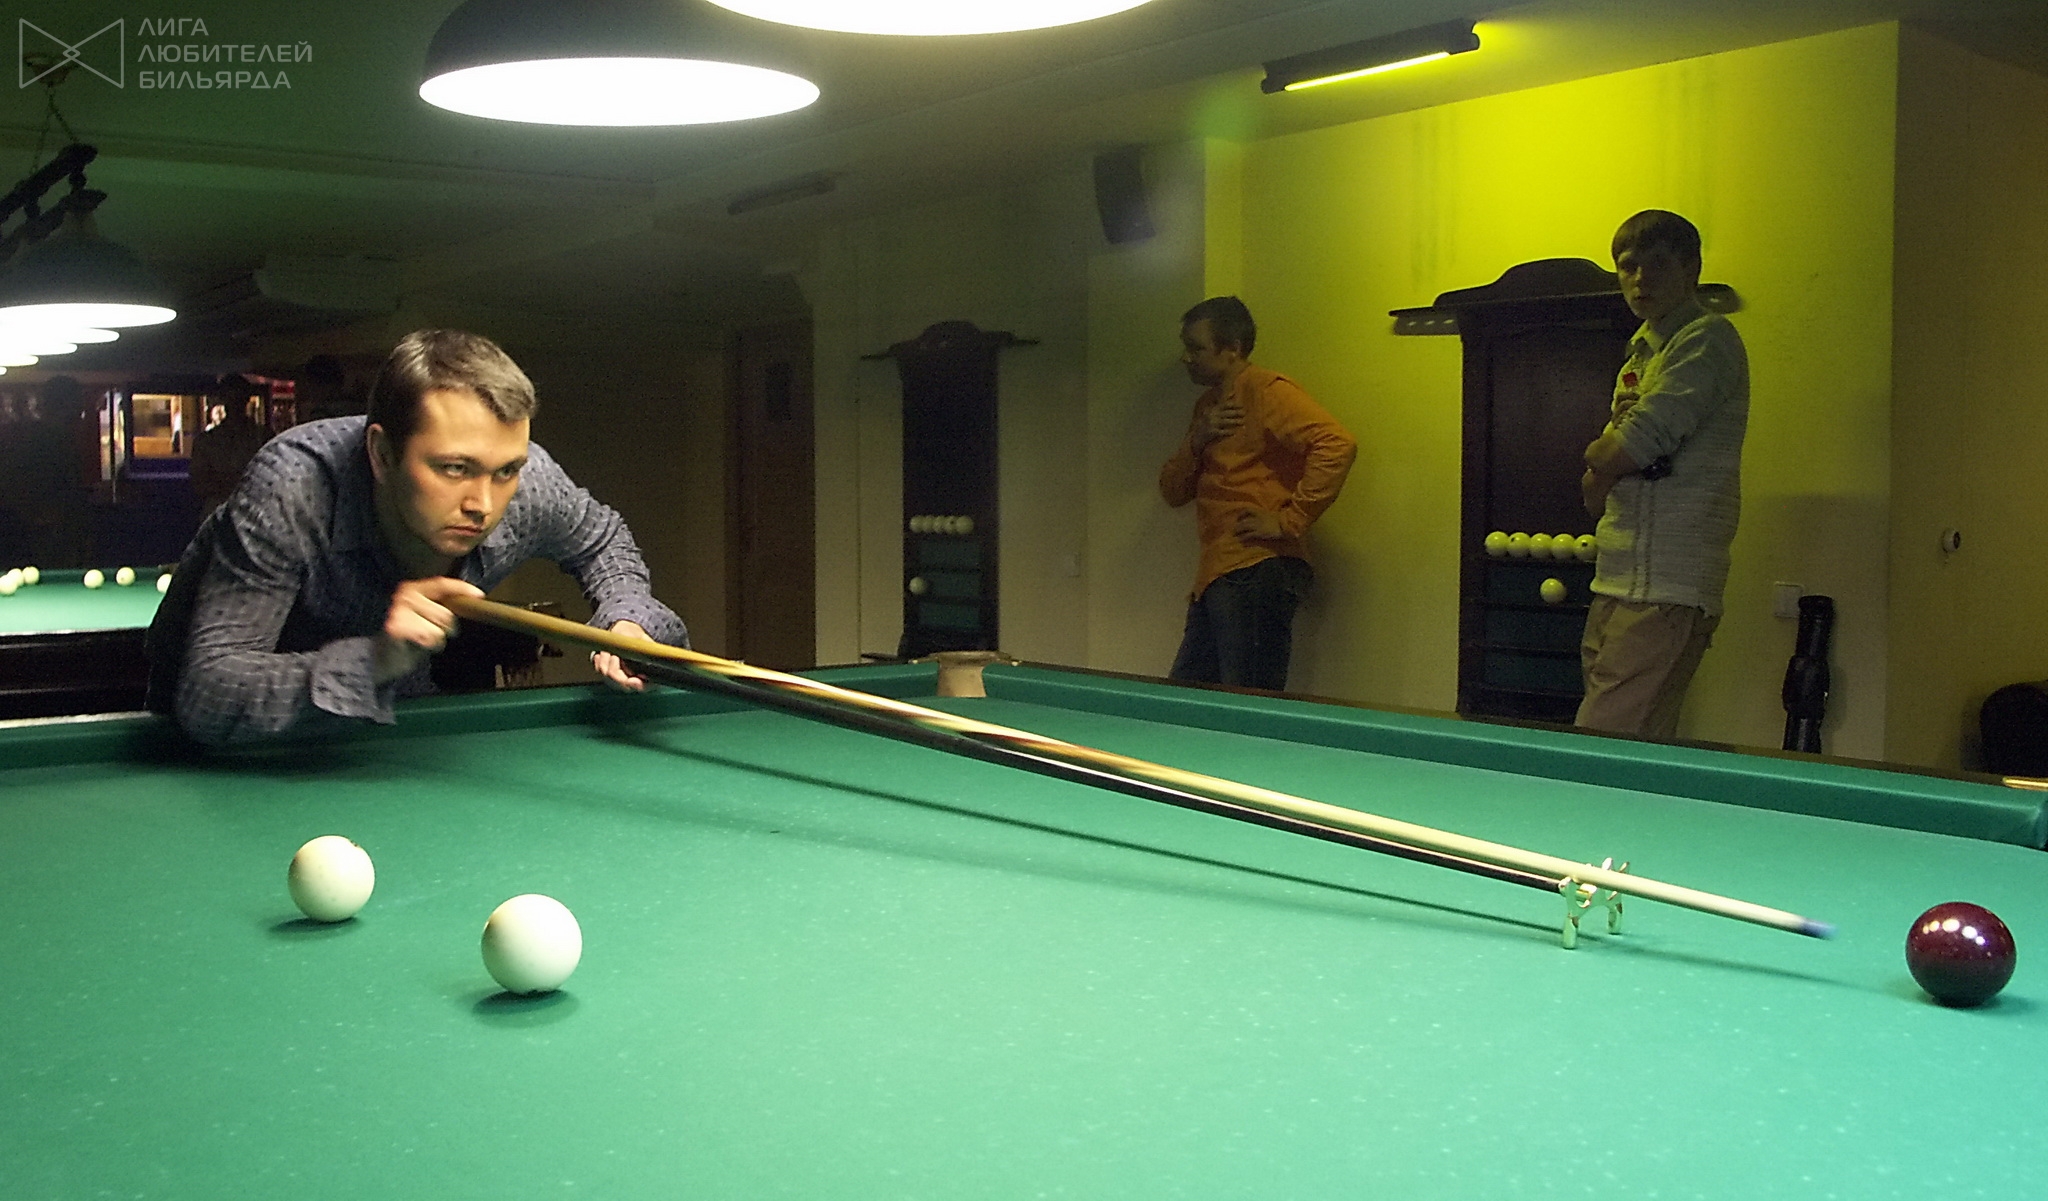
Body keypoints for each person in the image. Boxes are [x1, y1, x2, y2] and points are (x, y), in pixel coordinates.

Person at [147, 328, 687, 745]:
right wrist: (376, 661)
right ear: (382, 455)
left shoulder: (530, 485)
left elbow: (602, 541)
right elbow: (209, 692)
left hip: (389, 706)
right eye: (454, 468)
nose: (483, 504)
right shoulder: (294, 490)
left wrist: (627, 619)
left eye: (505, 470)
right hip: (223, 737)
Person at [1577, 210, 1750, 737]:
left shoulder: (1706, 338)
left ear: (1691, 268)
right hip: (1617, 575)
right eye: (1627, 266)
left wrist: (1604, 461)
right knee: (1635, 743)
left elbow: (1625, 448)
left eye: (1657, 264)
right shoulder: (1639, 353)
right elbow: (1604, 474)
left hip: (1668, 583)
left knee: (1602, 743)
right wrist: (1607, 461)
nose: (1640, 279)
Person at [1158, 296, 1356, 691]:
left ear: (1232, 349)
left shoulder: (1266, 391)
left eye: (1196, 348)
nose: (1186, 358)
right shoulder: (1208, 407)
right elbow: (1173, 491)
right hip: (1219, 573)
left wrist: (1289, 520)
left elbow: (1337, 444)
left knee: (1247, 698)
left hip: (1256, 568)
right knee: (1187, 698)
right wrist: (1197, 440)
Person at [188, 377, 272, 521]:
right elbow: (199, 483)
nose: (234, 403)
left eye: (237, 398)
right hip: (247, 514)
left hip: (243, 514)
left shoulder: (206, 441)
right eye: (231, 398)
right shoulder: (264, 437)